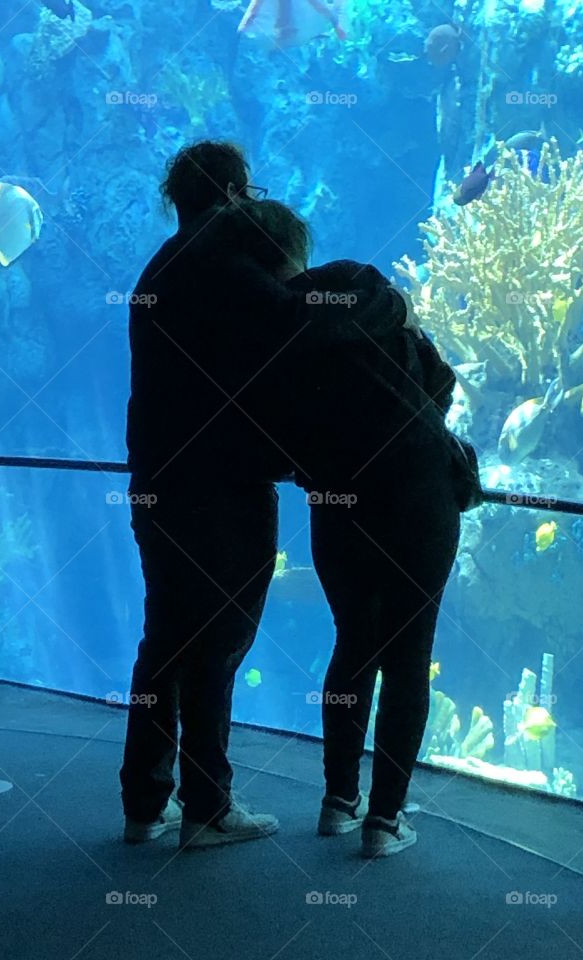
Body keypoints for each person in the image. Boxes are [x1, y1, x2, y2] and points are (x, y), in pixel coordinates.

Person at [121, 142, 409, 849]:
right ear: (231, 193)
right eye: (247, 192)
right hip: (219, 488)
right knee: (217, 642)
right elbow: (301, 323)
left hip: (156, 482)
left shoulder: (157, 271)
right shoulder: (225, 265)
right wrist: (379, 298)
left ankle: (143, 803)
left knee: (166, 639)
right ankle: (208, 808)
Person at [203, 199, 480, 857]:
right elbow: (439, 381)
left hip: (340, 502)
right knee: (410, 652)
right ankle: (385, 822)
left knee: (355, 641)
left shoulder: (265, 336)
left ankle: (338, 802)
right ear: (299, 246)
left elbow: (268, 449)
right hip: (420, 494)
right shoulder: (364, 288)